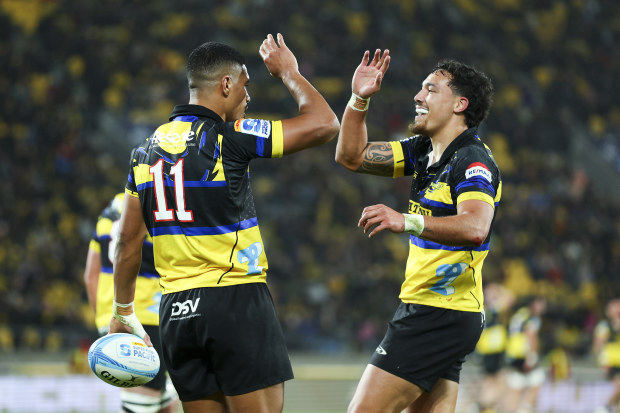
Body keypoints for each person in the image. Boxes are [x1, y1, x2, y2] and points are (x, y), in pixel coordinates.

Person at [108, 33, 339, 413]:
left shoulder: (143, 153)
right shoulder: (229, 139)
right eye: (246, 86)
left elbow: (128, 243)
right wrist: (290, 73)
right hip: (233, 301)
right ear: (227, 84)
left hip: (175, 314)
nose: (249, 98)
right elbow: (324, 124)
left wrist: (122, 311)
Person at [335, 49, 500, 412]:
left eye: (430, 89)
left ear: (460, 104)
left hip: (436, 312)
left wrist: (405, 220)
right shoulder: (423, 151)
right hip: (442, 311)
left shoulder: (471, 160)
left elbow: (476, 226)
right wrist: (359, 98)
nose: (418, 96)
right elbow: (351, 156)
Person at [84, 193, 179, 413]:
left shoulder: (108, 212)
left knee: (163, 400)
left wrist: (104, 321)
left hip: (112, 317)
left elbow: (90, 274)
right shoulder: (162, 202)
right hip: (147, 316)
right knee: (145, 403)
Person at [474, 283, 515, 413]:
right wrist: (499, 288)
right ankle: (485, 407)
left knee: (491, 380)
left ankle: (485, 407)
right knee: (496, 381)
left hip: (487, 350)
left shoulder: (482, 308)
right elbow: (511, 298)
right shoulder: (492, 309)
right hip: (493, 349)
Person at [503, 296, 547, 413]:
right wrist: (531, 357)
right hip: (523, 354)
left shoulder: (520, 313)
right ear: (534, 303)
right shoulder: (533, 317)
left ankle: (512, 409)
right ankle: (524, 409)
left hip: (512, 353)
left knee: (517, 385)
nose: (543, 308)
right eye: (541, 304)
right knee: (538, 380)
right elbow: (531, 335)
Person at [593, 298, 620, 413]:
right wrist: (602, 360)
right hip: (611, 363)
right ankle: (605, 407)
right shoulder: (604, 326)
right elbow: (598, 345)